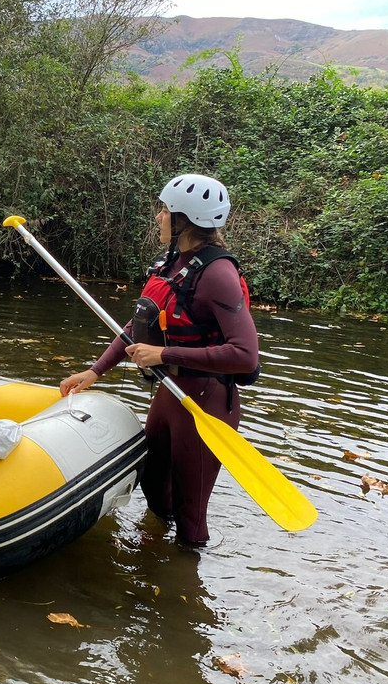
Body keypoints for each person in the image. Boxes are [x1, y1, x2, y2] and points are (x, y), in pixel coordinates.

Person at [59, 174, 259, 548]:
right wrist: (95, 370)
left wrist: (164, 354)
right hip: (170, 394)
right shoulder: (170, 264)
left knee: (189, 514)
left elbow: (246, 356)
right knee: (152, 486)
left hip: (206, 401)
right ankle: (154, 559)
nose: (158, 218)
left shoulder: (218, 274)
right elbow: (139, 324)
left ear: (186, 219)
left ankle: (185, 589)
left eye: (165, 211)